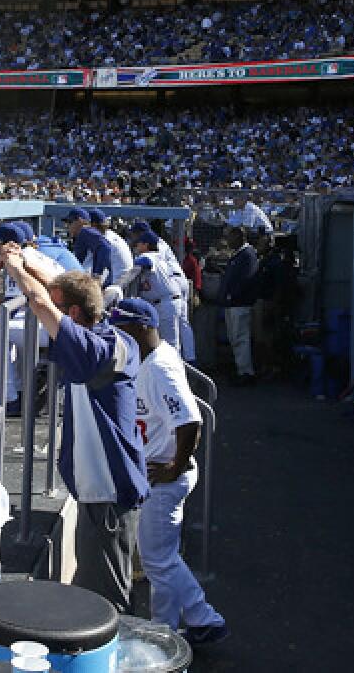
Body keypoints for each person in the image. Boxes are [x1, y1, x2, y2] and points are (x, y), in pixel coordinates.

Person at [0, 247, 148, 612]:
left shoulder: (93, 352)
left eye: (64, 313)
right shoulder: (111, 335)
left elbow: (38, 301)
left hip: (107, 493)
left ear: (75, 315)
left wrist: (17, 269)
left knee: (105, 604)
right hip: (107, 490)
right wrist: (32, 264)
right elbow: (58, 297)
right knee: (90, 591)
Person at [110, 299, 228, 645]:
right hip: (157, 472)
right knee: (162, 560)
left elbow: (191, 420)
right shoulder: (149, 357)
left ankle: (203, 617)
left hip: (166, 477)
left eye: (124, 328)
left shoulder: (160, 367)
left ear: (144, 327)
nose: (118, 334)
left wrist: (174, 466)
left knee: (158, 560)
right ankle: (163, 628)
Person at [0, 222, 63, 416]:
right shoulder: (30, 255)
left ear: (4, 244)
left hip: (60, 327)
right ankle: (21, 389)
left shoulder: (18, 259)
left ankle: (9, 398)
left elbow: (11, 309)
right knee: (17, 324)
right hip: (62, 321)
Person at [131, 232, 187, 355]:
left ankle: (176, 372)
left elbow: (144, 262)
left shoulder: (150, 256)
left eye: (138, 244)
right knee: (167, 344)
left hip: (165, 303)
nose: (136, 247)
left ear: (146, 245)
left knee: (170, 345)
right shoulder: (160, 256)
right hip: (166, 302)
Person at [218, 227, 259, 386]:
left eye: (231, 237)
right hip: (232, 304)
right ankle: (240, 370)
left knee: (241, 338)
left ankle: (246, 373)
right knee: (235, 338)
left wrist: (232, 295)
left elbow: (245, 279)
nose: (228, 241)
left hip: (240, 304)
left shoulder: (247, 255)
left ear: (240, 237)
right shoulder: (239, 255)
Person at [63, 207, 115, 287]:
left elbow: (105, 247)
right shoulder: (83, 235)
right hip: (98, 281)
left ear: (80, 221)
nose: (67, 226)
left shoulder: (85, 231)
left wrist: (97, 274)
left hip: (99, 283)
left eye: (70, 222)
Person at [91, 209, 134, 278]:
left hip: (119, 283)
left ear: (93, 224)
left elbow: (98, 273)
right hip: (125, 280)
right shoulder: (110, 235)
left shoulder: (104, 240)